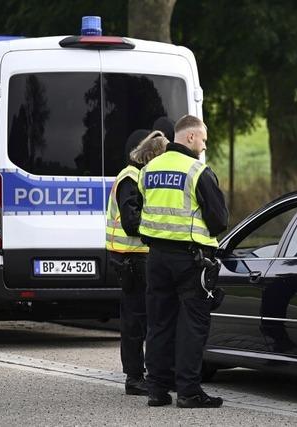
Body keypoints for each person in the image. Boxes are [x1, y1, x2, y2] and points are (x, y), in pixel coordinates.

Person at [138, 115, 228, 408]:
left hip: (156, 258)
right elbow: (219, 220)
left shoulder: (148, 169)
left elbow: (143, 209)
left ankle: (156, 389)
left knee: (159, 323)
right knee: (192, 324)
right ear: (189, 137)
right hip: (190, 260)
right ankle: (188, 392)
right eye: (203, 138)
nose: (204, 145)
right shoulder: (196, 171)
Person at [106, 130, 169, 395]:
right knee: (135, 319)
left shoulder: (137, 176)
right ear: (152, 156)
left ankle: (141, 374)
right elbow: (132, 224)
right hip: (130, 257)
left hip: (134, 256)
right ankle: (134, 377)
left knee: (141, 317)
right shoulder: (130, 179)